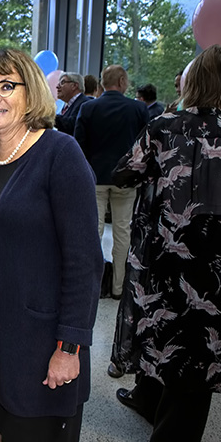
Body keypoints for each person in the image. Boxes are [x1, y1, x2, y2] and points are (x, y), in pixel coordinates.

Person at [0, 48, 102, 442]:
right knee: (3, 439)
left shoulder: (60, 153)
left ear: (31, 92)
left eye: (7, 86)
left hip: (38, 339)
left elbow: (84, 259)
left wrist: (70, 345)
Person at [110, 45, 221, 442]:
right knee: (201, 341)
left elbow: (124, 172)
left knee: (163, 327)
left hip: (164, 255)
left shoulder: (164, 124)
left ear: (192, 82)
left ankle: (151, 401)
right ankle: (172, 432)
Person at [74, 65, 149, 305]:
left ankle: (93, 286)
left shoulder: (88, 108)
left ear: (102, 83)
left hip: (94, 178)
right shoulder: (138, 109)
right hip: (125, 180)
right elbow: (144, 146)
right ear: (123, 81)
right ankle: (119, 287)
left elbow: (78, 146)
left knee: (93, 232)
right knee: (122, 231)